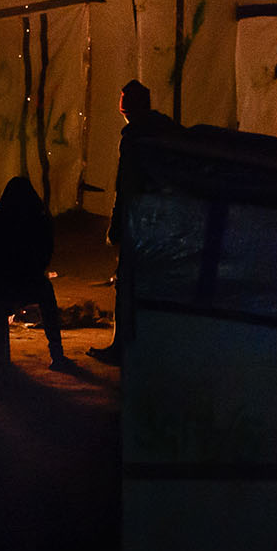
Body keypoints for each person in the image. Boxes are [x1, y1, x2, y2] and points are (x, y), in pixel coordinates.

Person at [90, 79, 177, 365]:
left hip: (139, 218)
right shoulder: (165, 129)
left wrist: (116, 225)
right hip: (164, 216)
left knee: (126, 283)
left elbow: (125, 185)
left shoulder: (134, 137)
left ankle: (122, 346)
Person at [0, 175, 72, 368]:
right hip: (32, 283)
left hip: (1, 282)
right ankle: (57, 353)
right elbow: (46, 256)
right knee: (47, 294)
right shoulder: (40, 222)